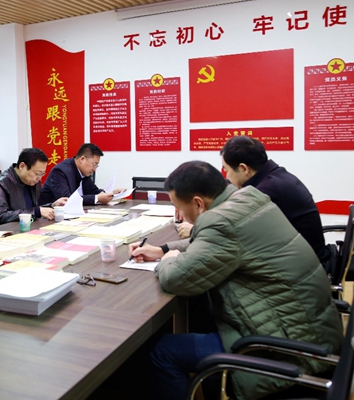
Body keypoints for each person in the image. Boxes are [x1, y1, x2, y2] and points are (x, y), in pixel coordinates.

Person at [129, 161, 341, 400]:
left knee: (161, 352)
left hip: (284, 349)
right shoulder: (247, 199)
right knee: (200, 313)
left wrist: (168, 260)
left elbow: (176, 280)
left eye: (179, 209)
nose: (181, 215)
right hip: (310, 329)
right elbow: (210, 243)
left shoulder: (220, 222)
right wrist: (163, 249)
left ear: (198, 203)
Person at [170, 136, 330, 269]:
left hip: (298, 268)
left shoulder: (265, 192)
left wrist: (194, 230)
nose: (227, 177)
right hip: (305, 260)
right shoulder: (277, 178)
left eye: (227, 170)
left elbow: (231, 234)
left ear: (244, 169)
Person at [0, 148, 68, 224]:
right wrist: (37, 212)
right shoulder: (1, 183)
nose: (39, 178)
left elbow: (33, 209)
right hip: (10, 231)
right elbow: (0, 216)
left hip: (30, 227)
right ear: (22, 166)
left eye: (42, 174)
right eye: (37, 174)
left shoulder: (33, 182)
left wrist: (52, 206)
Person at [39, 143, 122, 206]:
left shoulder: (83, 172)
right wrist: (97, 198)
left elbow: (94, 191)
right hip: (48, 217)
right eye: (94, 164)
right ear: (82, 159)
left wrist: (111, 193)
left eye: (97, 165)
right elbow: (67, 200)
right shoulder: (60, 171)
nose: (94, 169)